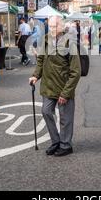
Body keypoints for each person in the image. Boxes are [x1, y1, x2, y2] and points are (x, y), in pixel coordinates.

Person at [29, 16, 81, 157]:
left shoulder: (70, 43)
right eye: (50, 26)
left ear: (62, 27)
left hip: (64, 87)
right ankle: (56, 141)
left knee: (65, 118)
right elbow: (40, 60)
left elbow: (76, 71)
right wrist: (35, 75)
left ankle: (66, 145)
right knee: (46, 112)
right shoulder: (45, 40)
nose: (52, 29)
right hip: (48, 86)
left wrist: (66, 93)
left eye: (55, 26)